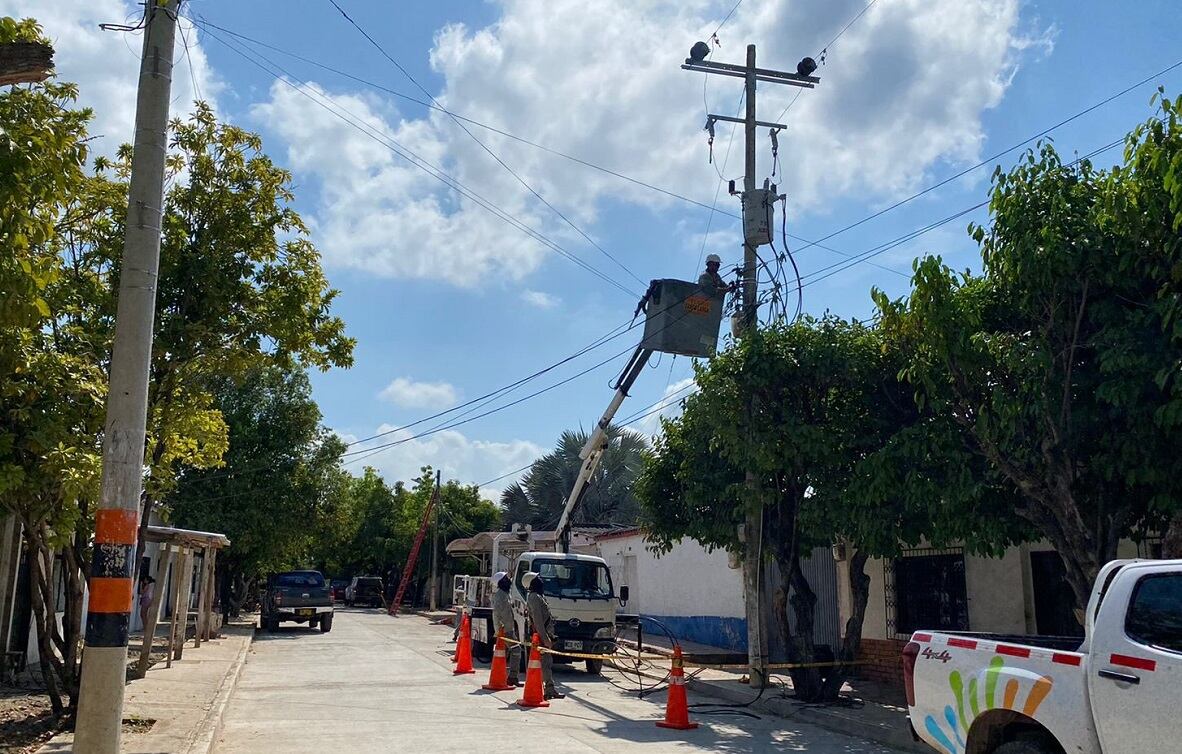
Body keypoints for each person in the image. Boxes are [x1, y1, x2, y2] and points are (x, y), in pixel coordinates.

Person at [523, 572, 564, 700]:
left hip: (544, 635)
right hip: (541, 637)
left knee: (547, 662)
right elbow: (538, 621)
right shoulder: (534, 597)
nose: (541, 580)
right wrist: (545, 639)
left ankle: (549, 688)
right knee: (545, 663)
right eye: (538, 579)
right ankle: (549, 689)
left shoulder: (538, 596)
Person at [490, 571, 520, 687]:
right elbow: (496, 614)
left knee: (506, 653)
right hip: (506, 630)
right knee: (516, 650)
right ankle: (513, 677)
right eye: (506, 579)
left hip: (508, 628)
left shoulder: (505, 594)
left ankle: (504, 676)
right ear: (501, 582)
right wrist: (498, 632)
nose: (509, 581)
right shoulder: (500, 596)